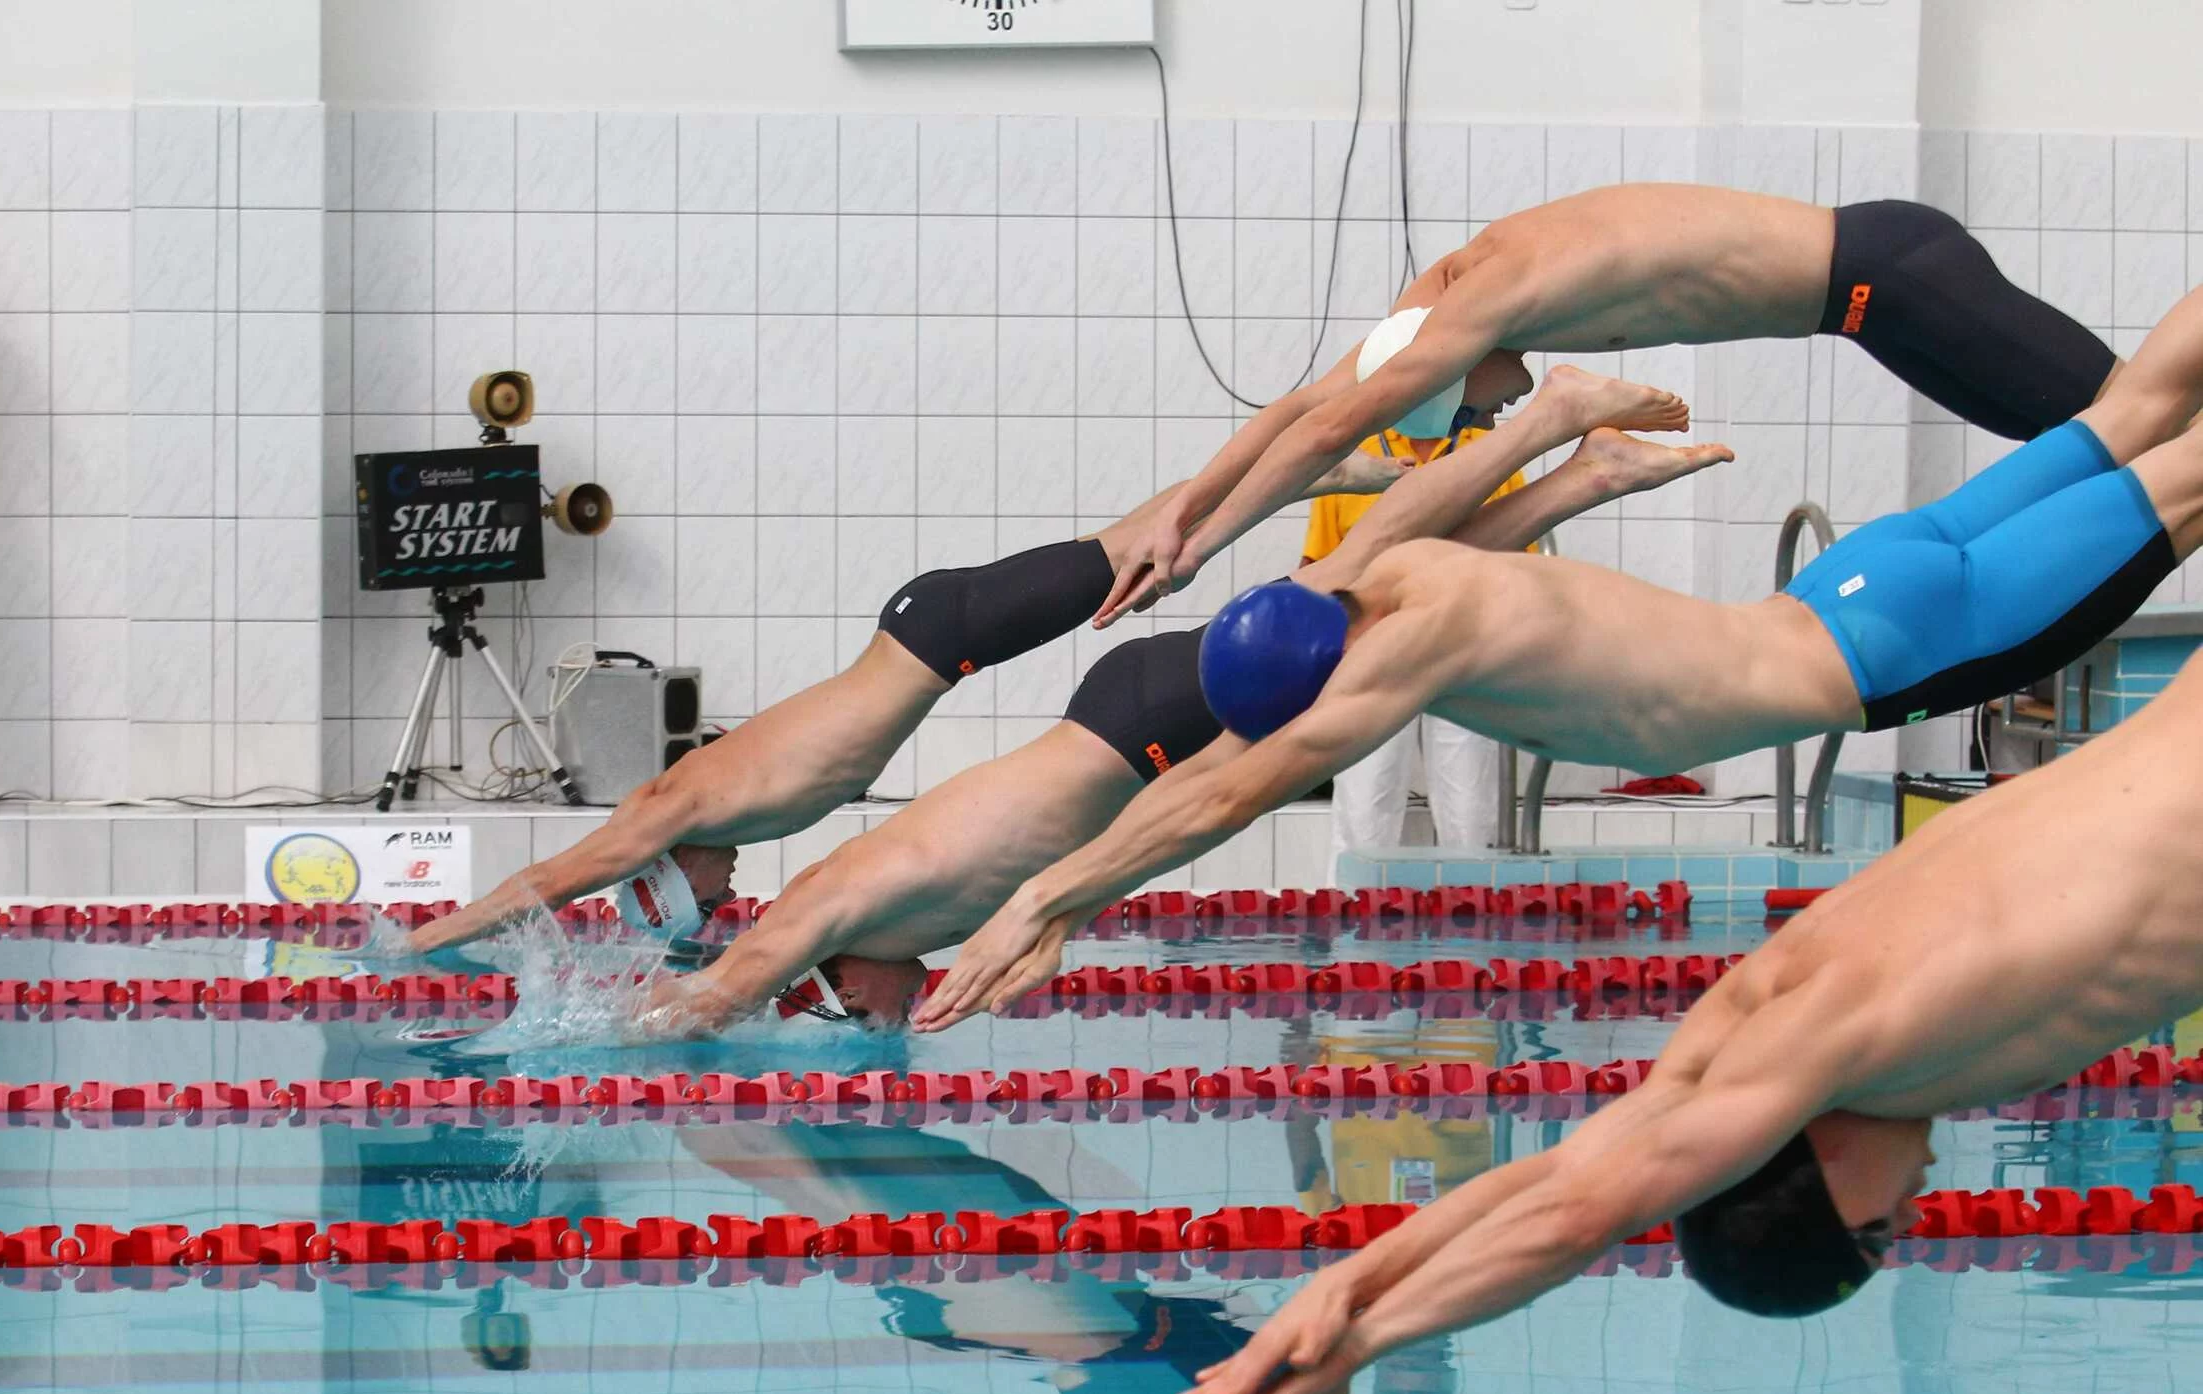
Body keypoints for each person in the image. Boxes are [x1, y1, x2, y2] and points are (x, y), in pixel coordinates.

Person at [913, 280, 2203, 1036]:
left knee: (2183, 468)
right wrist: (1569, 443)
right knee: (2140, 402)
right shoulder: (1404, 565)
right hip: (1860, 573)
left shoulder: (1413, 645)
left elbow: (1225, 787)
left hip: (1886, 643)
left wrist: (1052, 897)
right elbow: (1427, 507)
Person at [1166, 636, 2203, 1394]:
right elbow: (1570, 1165)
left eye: (1883, 1228)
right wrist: (1343, 1281)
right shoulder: (1764, 1011)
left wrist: (1358, 1335)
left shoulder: (1856, 1035)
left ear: (1820, 1177)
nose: (1922, 1193)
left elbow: (1583, 1208)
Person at [644, 367, 1716, 1034]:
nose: (892, 1021)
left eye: (864, 1019)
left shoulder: (828, 908)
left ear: (835, 980)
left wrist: (599, 1030)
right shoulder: (907, 925)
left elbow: (718, 995)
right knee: (1392, 603)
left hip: (1141, 729)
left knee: (1368, 578)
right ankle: (1586, 472)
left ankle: (1547, 428)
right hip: (1136, 726)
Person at [403, 450, 1417, 961]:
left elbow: (553, 876)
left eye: (705, 899)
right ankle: (1290, 480)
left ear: (667, 870)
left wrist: (425, 944)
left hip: (936, 634)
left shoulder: (666, 810)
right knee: (1141, 551)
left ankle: (1296, 474)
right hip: (936, 640)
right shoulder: (713, 817)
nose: (725, 894)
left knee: (1143, 554)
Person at [1090, 186, 2119, 623]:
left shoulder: (1479, 304)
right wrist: (1177, 515)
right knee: (2103, 442)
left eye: (1465, 416)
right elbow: (1301, 407)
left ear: (1462, 363)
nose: (1480, 426)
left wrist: (1196, 555)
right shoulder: (1440, 296)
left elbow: (1325, 429)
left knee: (2131, 420)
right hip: (1877, 300)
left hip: (1894, 279)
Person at [1307, 423, 1531, 856]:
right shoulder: (1361, 459)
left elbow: (1521, 564)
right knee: (1363, 810)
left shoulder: (1494, 452)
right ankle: (1354, 915)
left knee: (1470, 811)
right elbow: (1320, 564)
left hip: (1465, 649)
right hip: (1374, 647)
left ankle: (1474, 915)